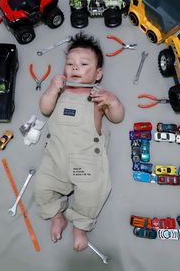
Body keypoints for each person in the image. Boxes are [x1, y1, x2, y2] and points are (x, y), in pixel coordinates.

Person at [34, 32, 124, 251]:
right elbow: (45, 109)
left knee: (93, 193)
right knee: (41, 187)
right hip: (55, 158)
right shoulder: (59, 92)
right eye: (70, 63)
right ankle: (57, 216)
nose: (75, 68)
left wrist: (112, 101)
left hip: (86, 160)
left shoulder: (97, 96)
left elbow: (117, 117)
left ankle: (80, 227)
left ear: (98, 73)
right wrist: (51, 89)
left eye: (84, 64)